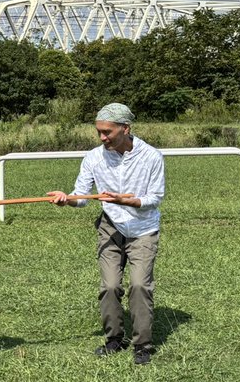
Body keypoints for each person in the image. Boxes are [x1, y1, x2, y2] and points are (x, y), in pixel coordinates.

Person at [47, 102, 165, 365]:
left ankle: (142, 345)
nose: (102, 137)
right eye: (99, 132)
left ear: (125, 128)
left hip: (143, 229)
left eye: (107, 132)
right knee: (110, 285)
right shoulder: (94, 157)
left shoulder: (151, 157)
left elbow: (155, 199)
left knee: (139, 285)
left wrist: (126, 201)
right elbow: (82, 196)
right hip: (110, 227)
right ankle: (114, 339)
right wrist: (66, 199)